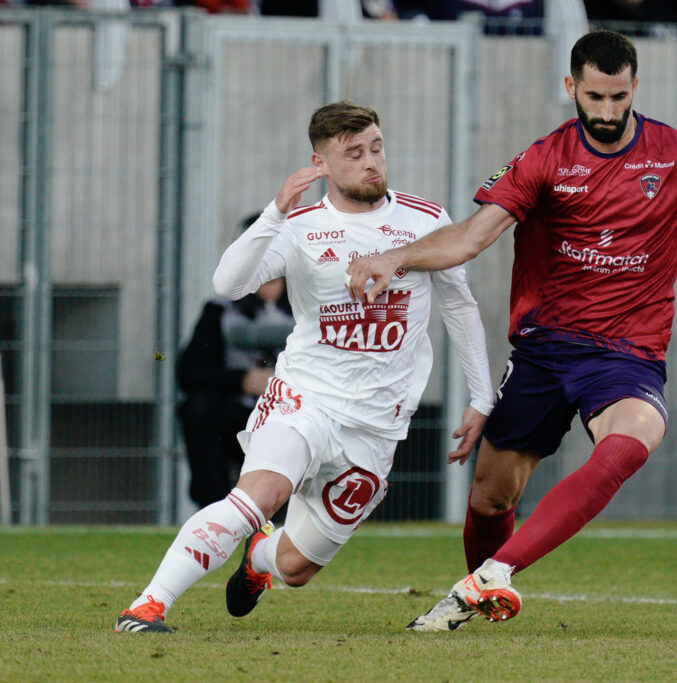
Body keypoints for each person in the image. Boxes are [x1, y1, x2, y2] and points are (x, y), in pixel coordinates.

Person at [346, 29, 677, 631]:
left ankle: (493, 576)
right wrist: (397, 256)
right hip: (544, 351)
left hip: (628, 353)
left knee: (630, 442)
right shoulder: (544, 159)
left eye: (618, 98)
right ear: (571, 88)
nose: (606, 113)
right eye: (594, 98)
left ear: (636, 87)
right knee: (489, 496)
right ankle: (480, 601)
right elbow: (474, 237)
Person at [115, 100, 494, 633]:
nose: (372, 163)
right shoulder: (300, 228)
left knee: (297, 567)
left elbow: (458, 304)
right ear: (320, 163)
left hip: (376, 424)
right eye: (354, 153)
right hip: (305, 399)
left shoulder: (425, 220)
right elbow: (228, 284)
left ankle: (258, 560)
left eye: (377, 148)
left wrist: (482, 396)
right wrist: (274, 213)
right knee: (256, 497)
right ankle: (147, 606)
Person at [177, 252, 292, 510]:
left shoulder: (309, 306)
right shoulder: (220, 311)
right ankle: (214, 508)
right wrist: (241, 380)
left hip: (289, 412)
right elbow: (190, 371)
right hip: (237, 414)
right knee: (198, 407)